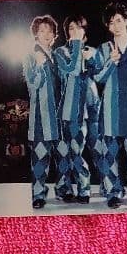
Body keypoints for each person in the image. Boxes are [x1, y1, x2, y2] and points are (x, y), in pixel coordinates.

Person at [91, 2, 127, 208]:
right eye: (111, 22)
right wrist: (111, 62)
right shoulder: (103, 49)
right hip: (110, 110)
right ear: (107, 26)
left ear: (126, 21)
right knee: (110, 154)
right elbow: (97, 78)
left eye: (119, 20)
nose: (116, 25)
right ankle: (113, 192)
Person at [54, 15, 102, 204]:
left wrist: (91, 59)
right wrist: (76, 47)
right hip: (72, 109)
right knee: (74, 150)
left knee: (99, 149)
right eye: (71, 28)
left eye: (78, 28)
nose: (75, 31)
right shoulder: (61, 52)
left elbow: (99, 73)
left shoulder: (92, 51)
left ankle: (109, 188)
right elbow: (72, 70)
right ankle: (81, 189)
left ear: (85, 31)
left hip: (93, 107)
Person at [22, 15, 66, 208]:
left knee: (64, 154)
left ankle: (63, 190)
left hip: (59, 116)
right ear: (36, 34)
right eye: (42, 30)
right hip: (41, 117)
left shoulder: (56, 56)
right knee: (40, 156)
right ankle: (38, 195)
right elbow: (32, 85)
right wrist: (39, 66)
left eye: (49, 30)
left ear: (54, 34)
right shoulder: (30, 55)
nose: (46, 34)